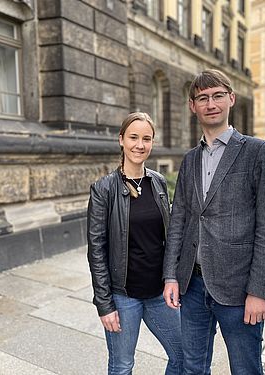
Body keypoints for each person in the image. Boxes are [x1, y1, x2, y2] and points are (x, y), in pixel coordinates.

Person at [163, 69, 265, 375]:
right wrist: (171, 276)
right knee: (192, 368)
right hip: (192, 286)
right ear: (193, 106)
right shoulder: (190, 159)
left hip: (239, 289)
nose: (210, 103)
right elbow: (180, 220)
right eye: (202, 98)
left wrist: (259, 291)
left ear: (231, 98)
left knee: (245, 369)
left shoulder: (258, 152)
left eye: (217, 95)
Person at [87, 112, 183, 375]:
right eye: (133, 137)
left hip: (159, 294)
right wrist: (104, 305)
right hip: (123, 296)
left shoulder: (159, 182)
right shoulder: (103, 189)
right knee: (122, 366)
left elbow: (168, 236)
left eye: (146, 138)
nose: (140, 145)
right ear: (121, 140)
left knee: (183, 356)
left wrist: (172, 278)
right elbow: (96, 250)